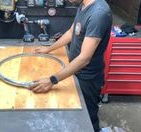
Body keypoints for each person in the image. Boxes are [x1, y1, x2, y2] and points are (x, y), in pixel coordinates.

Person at [29, 0, 112, 131]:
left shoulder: (99, 14)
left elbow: (84, 58)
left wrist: (52, 80)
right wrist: (49, 49)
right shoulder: (83, 5)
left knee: (88, 119)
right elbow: (71, 32)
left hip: (87, 78)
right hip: (75, 70)